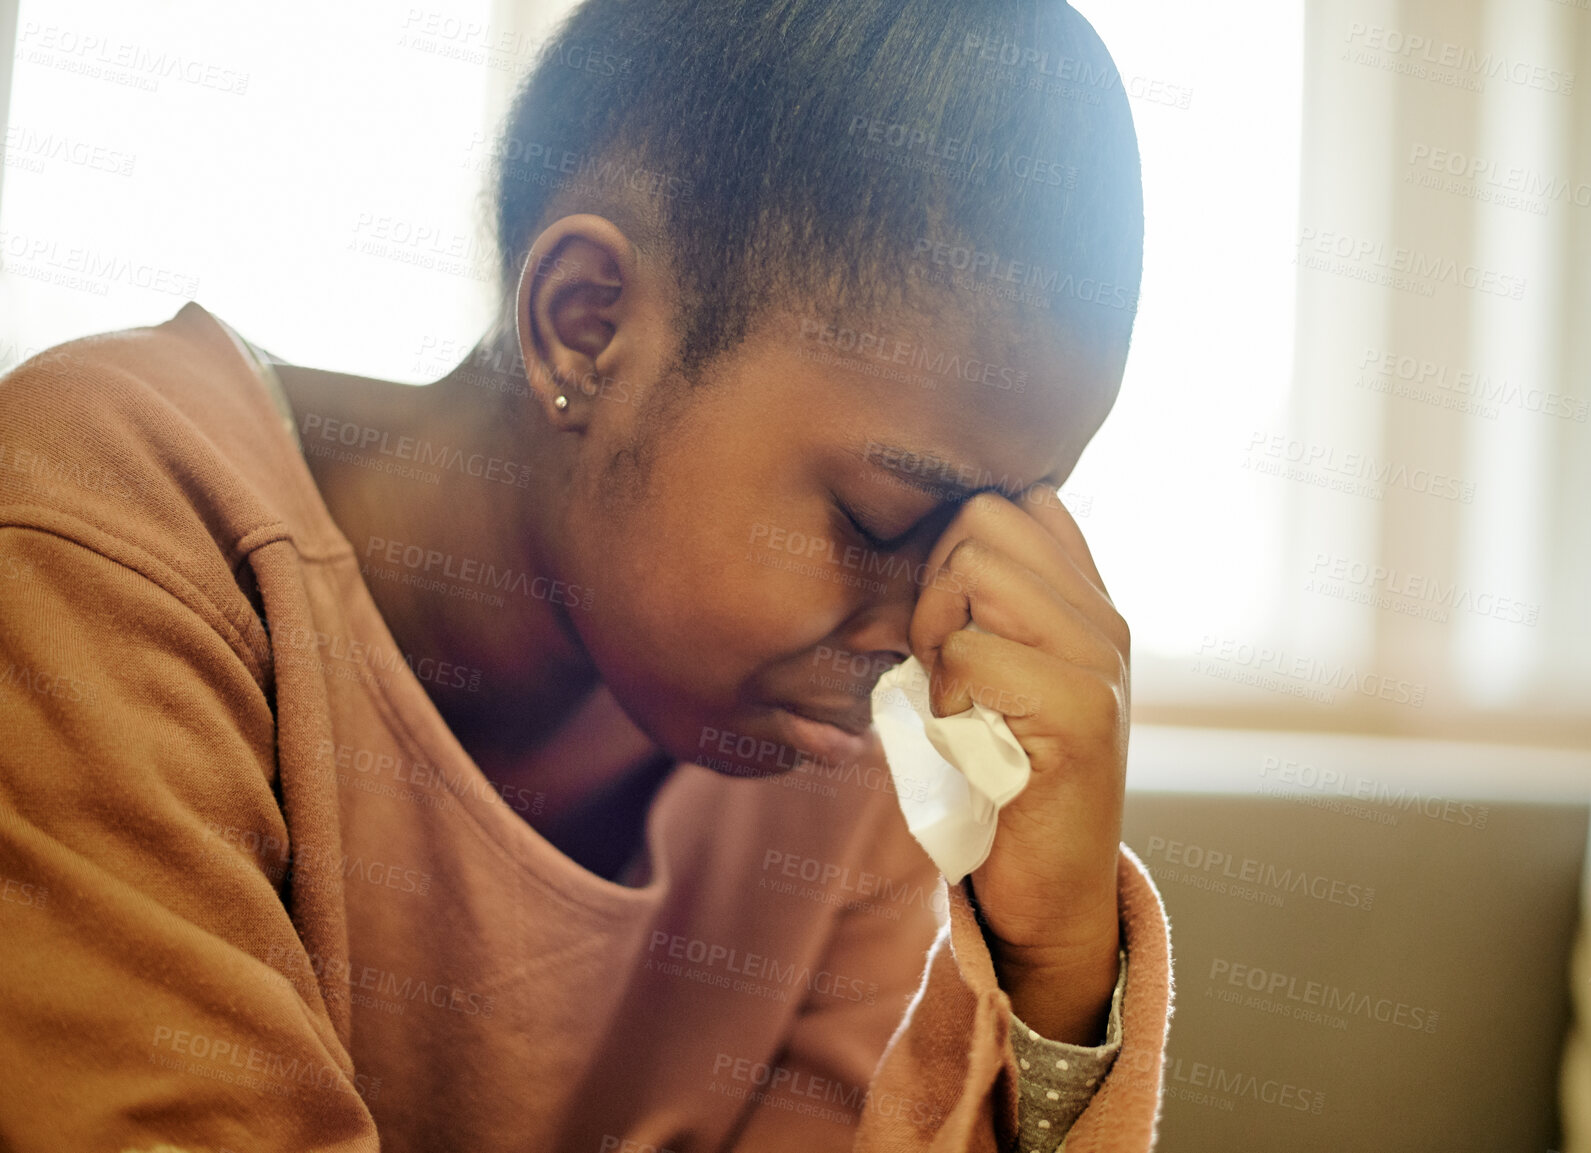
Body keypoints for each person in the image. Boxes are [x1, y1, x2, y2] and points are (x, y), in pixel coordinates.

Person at [0, 0, 1171, 1148]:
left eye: (1002, 525)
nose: (928, 636)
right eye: (879, 518)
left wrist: (1055, 969)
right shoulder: (111, 518)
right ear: (586, 324)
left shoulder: (830, 755)